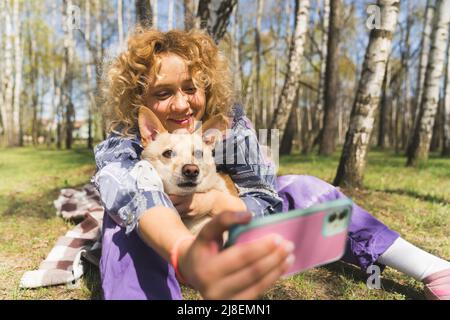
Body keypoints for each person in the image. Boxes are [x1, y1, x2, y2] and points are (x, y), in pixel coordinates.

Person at [92, 28, 450, 300]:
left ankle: (432, 269)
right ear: (140, 99)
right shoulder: (126, 141)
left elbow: (264, 194)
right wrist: (183, 251)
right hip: (167, 244)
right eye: (163, 93)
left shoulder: (227, 125)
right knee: (122, 225)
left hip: (233, 225)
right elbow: (128, 192)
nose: (182, 105)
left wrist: (213, 202)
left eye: (190, 88)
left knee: (303, 187)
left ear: (206, 86)